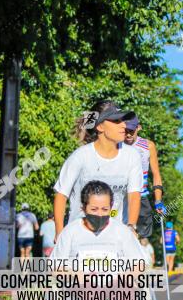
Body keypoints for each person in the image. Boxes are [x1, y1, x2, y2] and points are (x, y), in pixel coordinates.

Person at [49, 181, 147, 300]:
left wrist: (126, 274)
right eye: (94, 208)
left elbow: (140, 263)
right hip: (82, 284)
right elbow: (54, 266)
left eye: (105, 209)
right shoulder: (71, 232)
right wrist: (77, 273)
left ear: (111, 208)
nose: (100, 214)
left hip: (116, 282)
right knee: (92, 285)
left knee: (125, 287)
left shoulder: (120, 231)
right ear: (83, 208)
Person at [53, 100, 142, 241]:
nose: (124, 125)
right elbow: (61, 195)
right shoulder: (80, 156)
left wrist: (131, 226)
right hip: (80, 236)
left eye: (123, 120)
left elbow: (134, 195)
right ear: (100, 126)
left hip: (114, 237)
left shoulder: (132, 156)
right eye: (116, 121)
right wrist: (59, 232)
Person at [123, 115, 165, 238]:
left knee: (142, 236)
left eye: (131, 131)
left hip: (141, 196)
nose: (128, 134)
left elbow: (156, 174)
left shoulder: (148, 146)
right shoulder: (116, 144)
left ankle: (141, 254)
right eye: (125, 131)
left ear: (139, 128)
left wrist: (158, 200)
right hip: (121, 197)